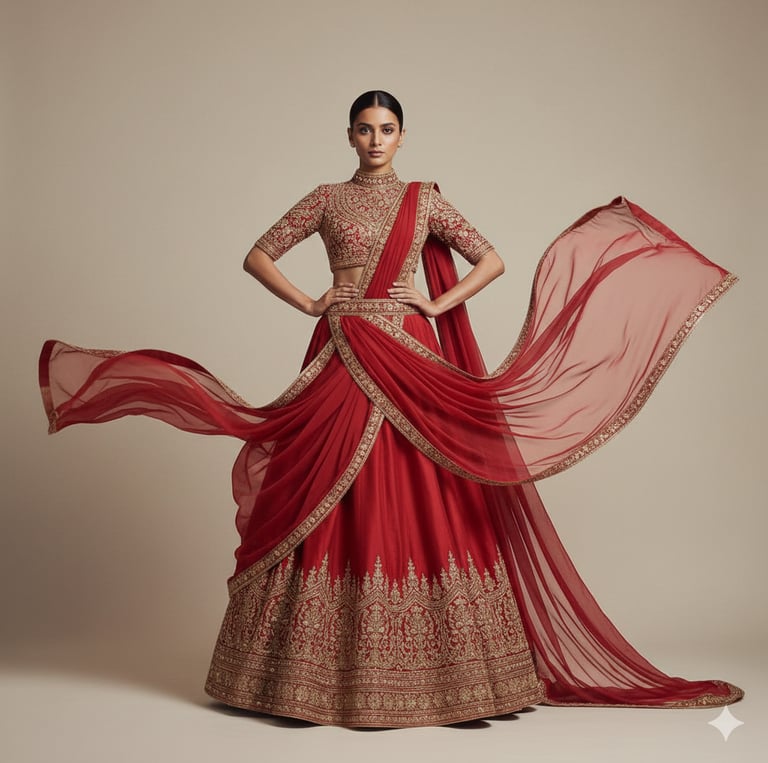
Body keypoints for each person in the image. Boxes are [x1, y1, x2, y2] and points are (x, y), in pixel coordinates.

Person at [39, 90, 743, 727]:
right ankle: (299, 682)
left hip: (407, 350)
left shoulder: (426, 200)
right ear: (349, 135)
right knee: (323, 484)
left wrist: (433, 304)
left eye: (388, 129)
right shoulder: (324, 198)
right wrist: (313, 299)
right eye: (365, 129)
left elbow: (489, 258)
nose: (376, 140)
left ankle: (455, 680)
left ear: (402, 137)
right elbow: (258, 254)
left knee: (423, 488)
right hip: (342, 345)